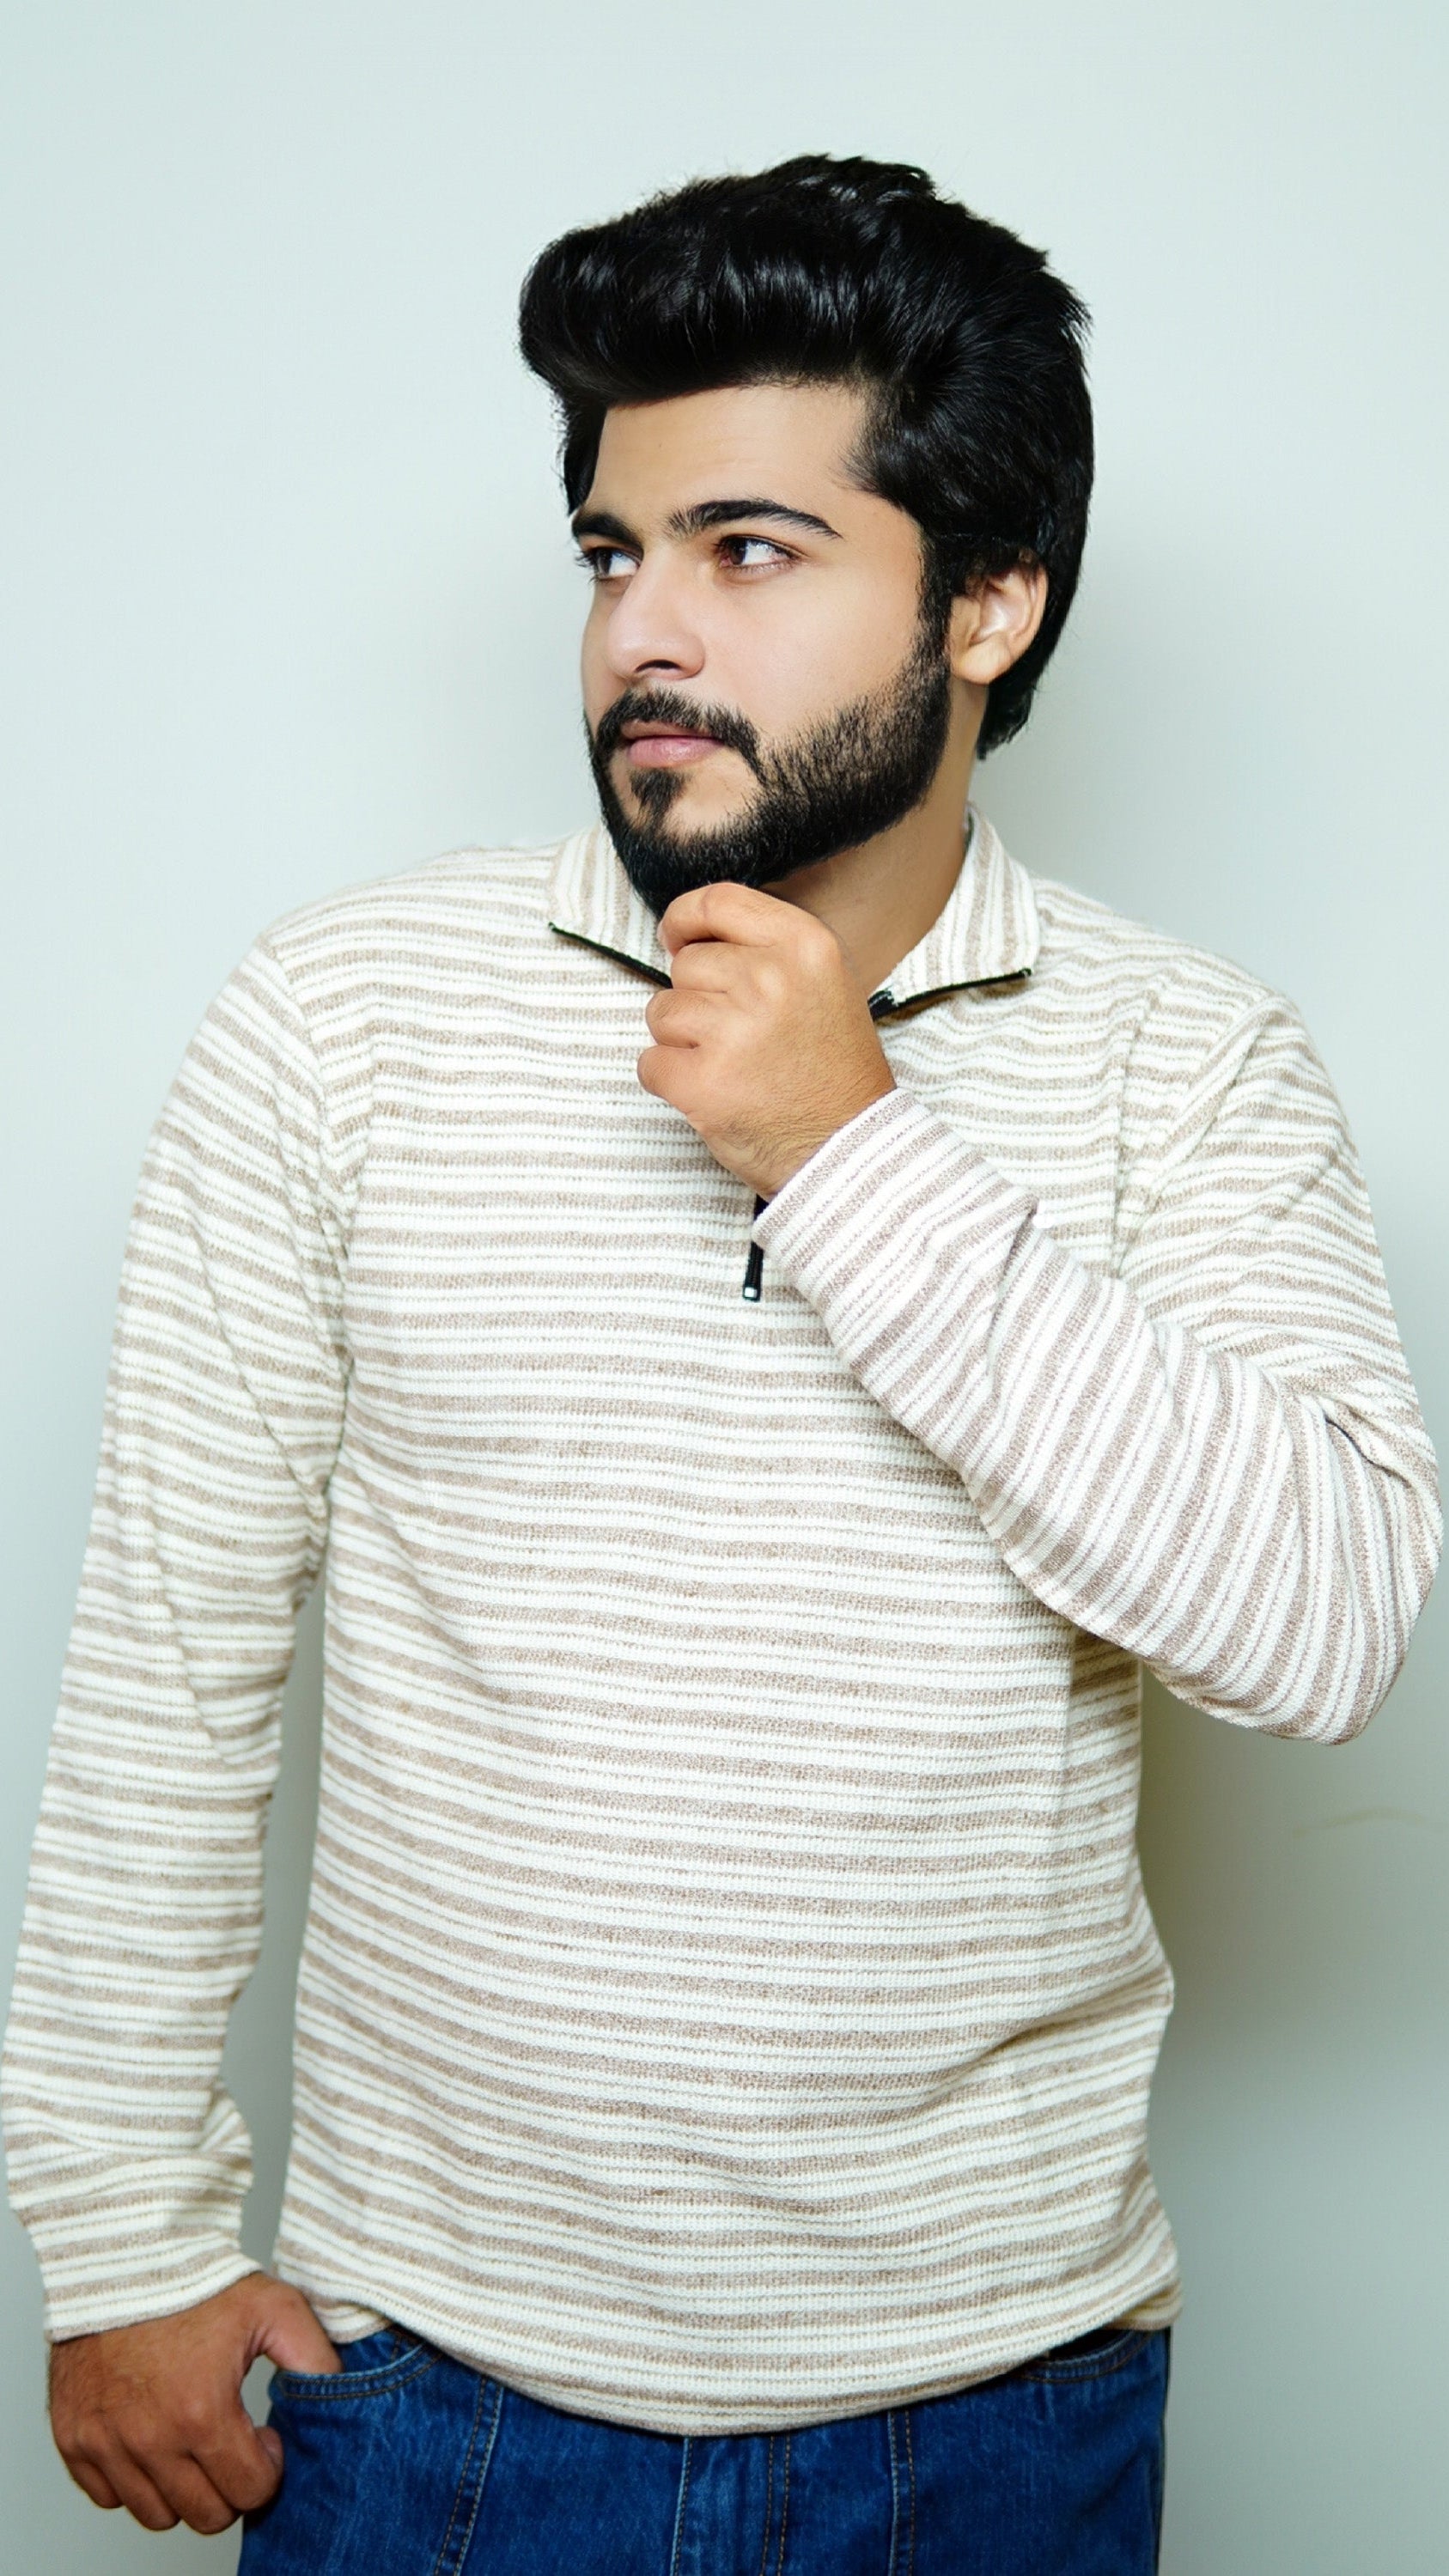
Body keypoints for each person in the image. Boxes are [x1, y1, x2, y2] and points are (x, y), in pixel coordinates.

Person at [3, 155, 1438, 2576]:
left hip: (998, 2415)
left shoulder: (1190, 1066)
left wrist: (850, 1149)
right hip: (430, 2396)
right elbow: (170, 1670)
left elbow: (1323, 1631)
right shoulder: (345, 1019)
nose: (644, 635)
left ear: (987, 604)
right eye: (610, 552)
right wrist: (122, 2237)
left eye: (749, 553)